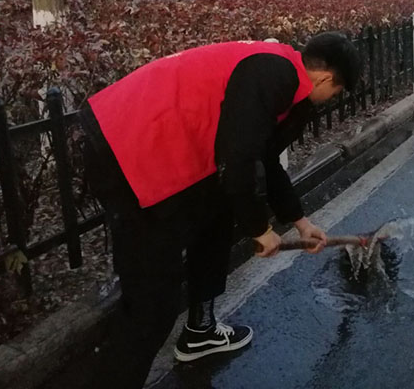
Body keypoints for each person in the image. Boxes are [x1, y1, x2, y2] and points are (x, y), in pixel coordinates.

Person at [80, 34, 361, 389]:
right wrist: (260, 230)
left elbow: (263, 158)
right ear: (325, 79)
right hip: (127, 153)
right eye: (335, 93)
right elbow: (237, 160)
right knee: (152, 305)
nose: (329, 100)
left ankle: (201, 330)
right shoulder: (275, 76)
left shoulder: (279, 67)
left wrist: (300, 222)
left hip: (146, 144)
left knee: (216, 215)